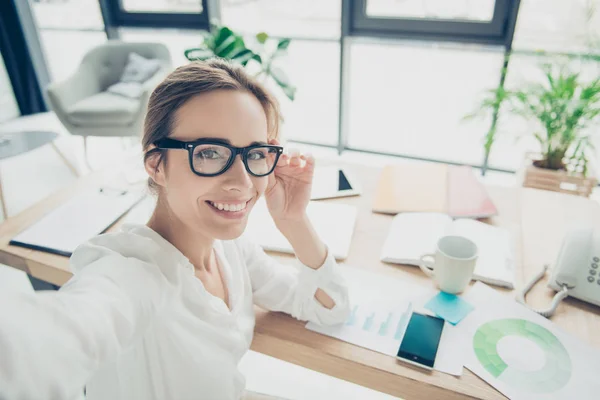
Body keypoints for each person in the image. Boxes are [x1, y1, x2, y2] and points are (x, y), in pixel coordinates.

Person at [0, 59, 350, 400]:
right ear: (157, 164)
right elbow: (52, 341)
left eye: (255, 153)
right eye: (210, 153)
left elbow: (329, 307)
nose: (242, 182)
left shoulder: (232, 252)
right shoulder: (132, 274)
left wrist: (293, 220)